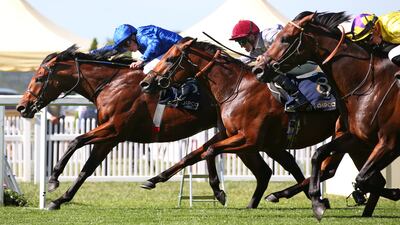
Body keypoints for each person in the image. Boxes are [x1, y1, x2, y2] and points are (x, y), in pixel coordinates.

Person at [230, 20, 317, 112]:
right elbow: (241, 61)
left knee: (270, 70)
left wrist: (264, 56)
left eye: (241, 42)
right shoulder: (255, 50)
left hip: (306, 63)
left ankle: (300, 99)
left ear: (251, 37)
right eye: (238, 42)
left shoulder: (268, 35)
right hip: (294, 66)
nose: (241, 46)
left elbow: (287, 41)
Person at [91, 24, 182, 70]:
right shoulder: (132, 41)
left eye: (126, 44)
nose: (127, 48)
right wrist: (91, 54)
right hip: (169, 53)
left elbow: (154, 44)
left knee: (147, 69)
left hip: (179, 49)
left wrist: (141, 60)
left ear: (133, 37)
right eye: (123, 45)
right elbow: (112, 49)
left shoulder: (141, 35)